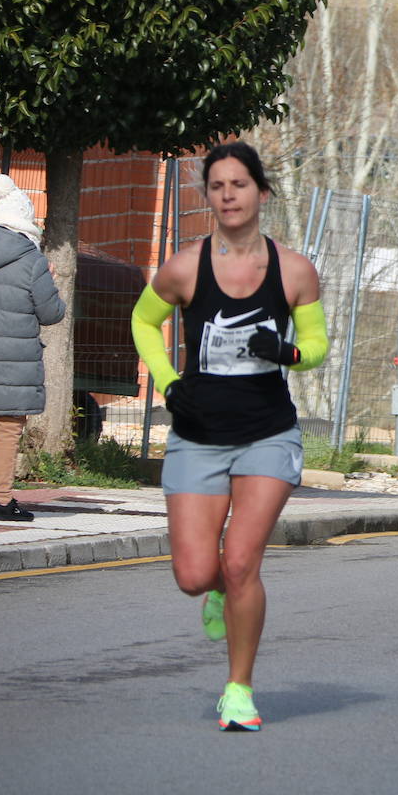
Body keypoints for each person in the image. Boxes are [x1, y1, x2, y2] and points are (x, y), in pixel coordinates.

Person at [131, 141, 328, 728]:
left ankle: (239, 689)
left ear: (260, 193)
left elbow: (316, 345)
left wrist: (288, 350)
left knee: (242, 560)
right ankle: (218, 589)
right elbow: (144, 320)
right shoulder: (184, 267)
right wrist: (167, 382)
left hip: (268, 434)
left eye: (239, 184)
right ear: (208, 197)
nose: (228, 195)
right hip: (198, 434)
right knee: (195, 575)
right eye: (217, 186)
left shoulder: (294, 270)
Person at [0, 174, 66, 522]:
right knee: (7, 427)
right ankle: (1, 501)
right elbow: (51, 313)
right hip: (14, 361)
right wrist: (52, 280)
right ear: (24, 220)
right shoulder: (31, 260)